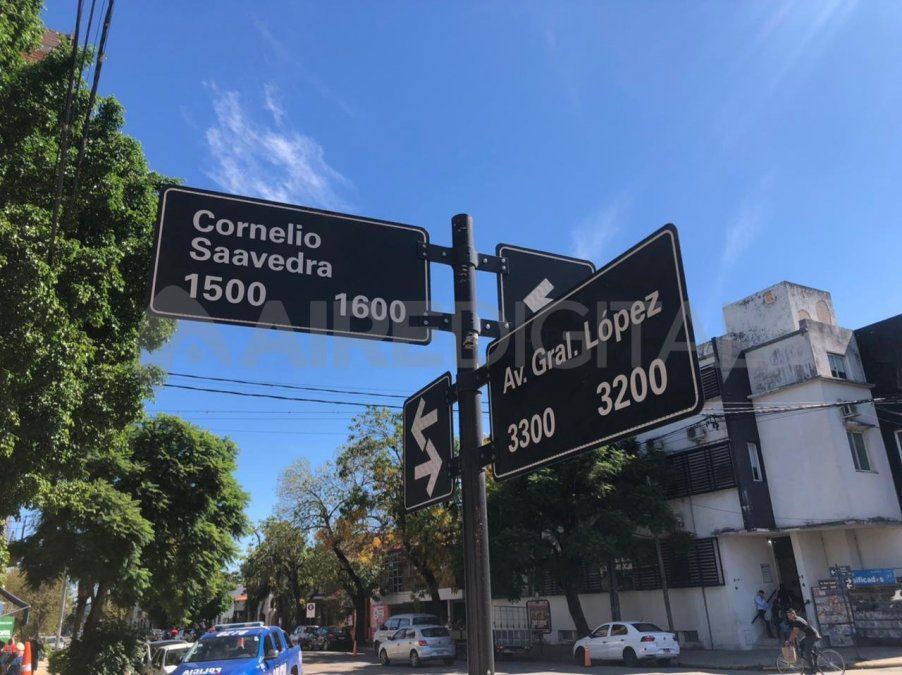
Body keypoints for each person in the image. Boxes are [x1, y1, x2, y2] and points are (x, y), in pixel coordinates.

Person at [785, 608, 821, 675]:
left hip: (811, 635)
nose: (788, 616)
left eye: (789, 615)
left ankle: (812, 670)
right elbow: (796, 631)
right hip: (810, 634)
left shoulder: (796, 621)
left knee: (807, 652)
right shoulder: (797, 619)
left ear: (793, 614)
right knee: (801, 643)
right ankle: (814, 656)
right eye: (788, 615)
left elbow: (794, 632)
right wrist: (793, 639)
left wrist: (789, 641)